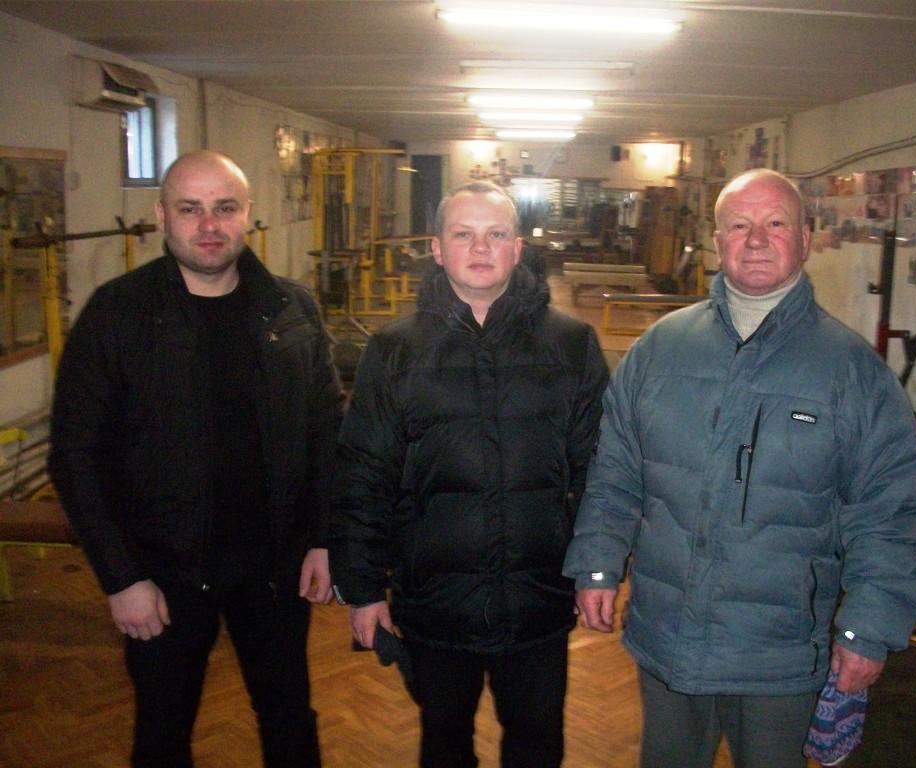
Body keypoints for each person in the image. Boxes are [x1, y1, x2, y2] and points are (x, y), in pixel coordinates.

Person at [563, 169, 916, 768]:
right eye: (739, 225)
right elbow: (615, 472)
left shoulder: (852, 372)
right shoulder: (659, 349)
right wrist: (597, 562)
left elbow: (887, 512)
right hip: (667, 635)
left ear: (805, 239)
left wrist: (869, 624)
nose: (756, 239)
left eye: (775, 223)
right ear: (717, 242)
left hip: (780, 653)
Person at [48, 150, 342, 768]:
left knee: (290, 720)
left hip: (274, 569)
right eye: (190, 209)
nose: (209, 225)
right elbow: (76, 457)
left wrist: (322, 537)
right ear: (162, 216)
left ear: (248, 214)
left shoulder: (290, 310)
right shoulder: (117, 315)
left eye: (224, 208)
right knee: (162, 732)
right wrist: (122, 577)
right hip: (163, 573)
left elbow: (324, 433)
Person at [331, 181, 608, 768]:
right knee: (443, 746)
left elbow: (599, 470)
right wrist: (362, 588)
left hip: (538, 600)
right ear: (437, 248)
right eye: (464, 234)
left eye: (495, 234)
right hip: (434, 604)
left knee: (537, 748)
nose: (480, 248)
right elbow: (363, 474)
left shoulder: (572, 344)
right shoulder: (394, 350)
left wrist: (597, 568)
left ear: (517, 249)